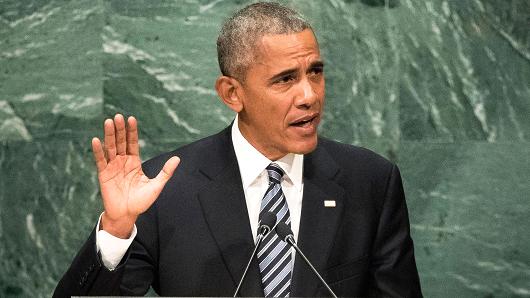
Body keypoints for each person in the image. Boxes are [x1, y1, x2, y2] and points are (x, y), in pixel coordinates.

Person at [54, 2, 422, 297]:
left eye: (315, 72)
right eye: (286, 79)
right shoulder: (164, 189)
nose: (310, 95)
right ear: (233, 93)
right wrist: (117, 229)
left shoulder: (370, 180)